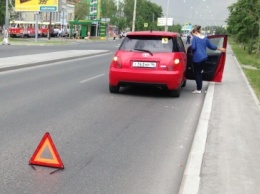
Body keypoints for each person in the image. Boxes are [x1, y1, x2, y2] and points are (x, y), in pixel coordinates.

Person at [190, 25, 226, 94]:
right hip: (204, 58)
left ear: (195, 32)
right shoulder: (205, 38)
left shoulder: (195, 38)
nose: (192, 35)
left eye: (192, 34)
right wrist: (220, 49)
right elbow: (211, 47)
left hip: (197, 58)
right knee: (200, 73)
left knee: (197, 73)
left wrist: (192, 49)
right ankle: (199, 88)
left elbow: (194, 48)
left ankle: (198, 89)